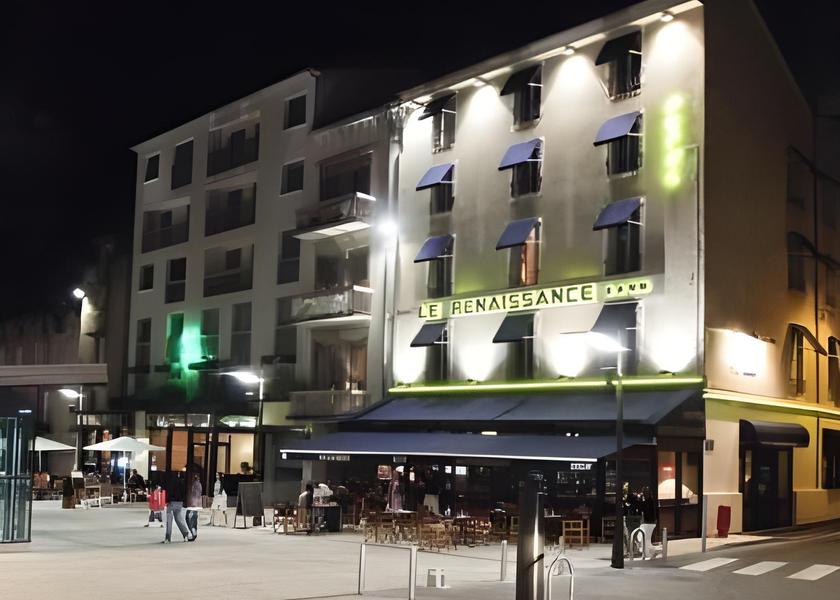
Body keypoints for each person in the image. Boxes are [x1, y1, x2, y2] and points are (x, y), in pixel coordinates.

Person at [162, 471, 192, 543]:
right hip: (179, 502)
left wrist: (167, 500)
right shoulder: (181, 482)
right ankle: (186, 534)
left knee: (169, 519)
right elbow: (184, 492)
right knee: (178, 518)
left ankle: (168, 537)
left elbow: (169, 492)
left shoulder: (169, 482)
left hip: (172, 502)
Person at [185, 472, 202, 541]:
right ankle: (194, 531)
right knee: (194, 517)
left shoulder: (193, 484)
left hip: (192, 503)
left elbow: (194, 493)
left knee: (189, 518)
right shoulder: (199, 484)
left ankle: (192, 532)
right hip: (196, 503)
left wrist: (192, 502)